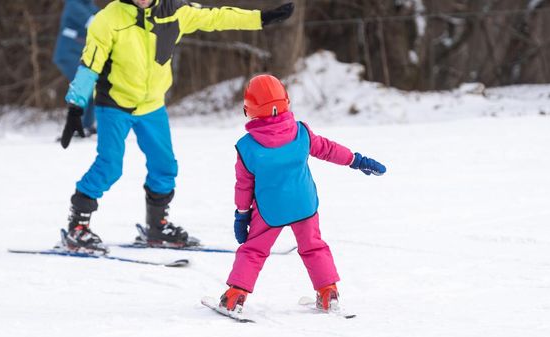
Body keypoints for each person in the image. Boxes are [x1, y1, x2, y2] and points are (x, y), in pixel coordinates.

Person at [59, 0, 296, 254]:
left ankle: (157, 226)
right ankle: (78, 226)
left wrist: (260, 19)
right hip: (115, 104)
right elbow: (90, 64)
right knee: (109, 166)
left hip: (151, 106)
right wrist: (76, 106)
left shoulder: (175, 11)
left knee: (165, 166)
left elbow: (217, 18)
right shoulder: (108, 19)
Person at [216, 75, 387, 314]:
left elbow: (243, 186)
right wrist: (356, 160)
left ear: (249, 109)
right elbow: (327, 149)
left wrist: (242, 214)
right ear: (286, 101)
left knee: (253, 250)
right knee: (314, 247)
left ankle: (235, 296)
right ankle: (328, 293)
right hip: (304, 205)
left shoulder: (247, 147)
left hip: (269, 211)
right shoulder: (301, 132)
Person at [53, 0, 99, 137]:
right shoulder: (74, 4)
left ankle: (86, 125)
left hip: (81, 53)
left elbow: (104, 17)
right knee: (84, 86)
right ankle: (78, 126)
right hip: (67, 54)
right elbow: (94, 22)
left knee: (91, 86)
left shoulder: (88, 4)